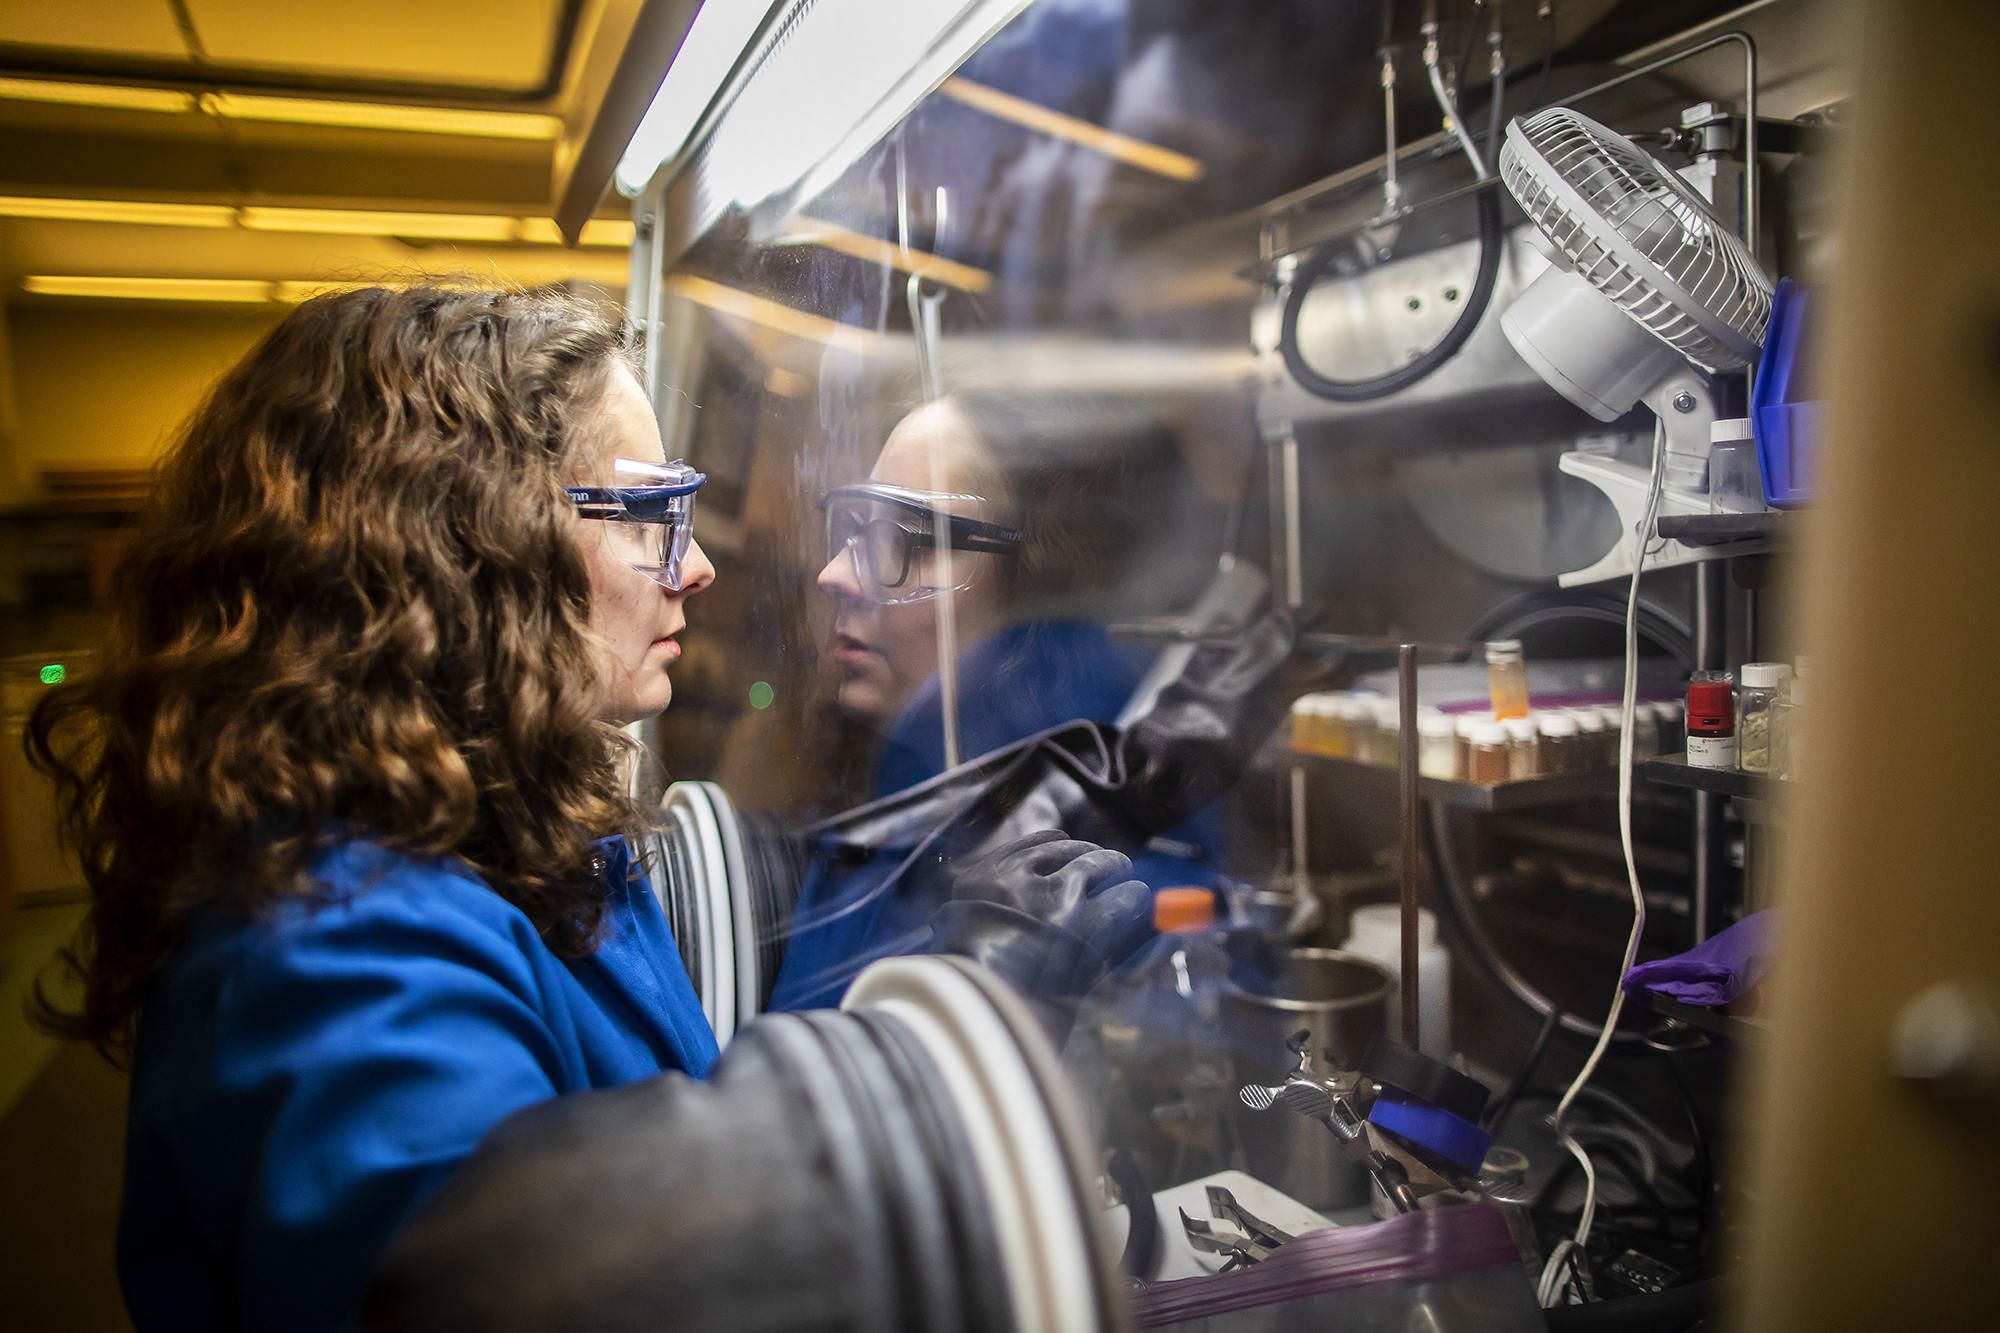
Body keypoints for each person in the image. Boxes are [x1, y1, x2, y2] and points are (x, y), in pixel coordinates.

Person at [28, 285, 721, 1333]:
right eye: (653, 516)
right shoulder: (339, 952)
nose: (697, 566)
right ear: (476, 546)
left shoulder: (510, 829)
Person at [766, 391, 1225, 1012]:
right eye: (855, 530)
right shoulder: (918, 773)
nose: (837, 576)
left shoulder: (1110, 863)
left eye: (914, 542)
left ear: (1035, 582)